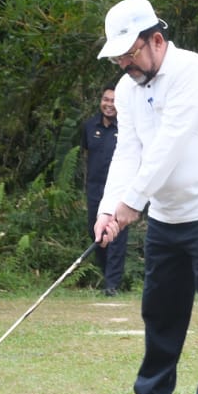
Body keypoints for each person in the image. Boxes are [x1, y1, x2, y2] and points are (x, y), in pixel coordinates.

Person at [94, 0, 198, 394]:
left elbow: (170, 146)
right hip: (166, 217)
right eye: (119, 56)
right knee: (160, 311)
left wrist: (131, 205)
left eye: (131, 53)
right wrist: (109, 208)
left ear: (156, 40)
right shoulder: (125, 90)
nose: (125, 64)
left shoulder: (191, 70)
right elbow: (130, 152)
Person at [81, 87, 128, 294]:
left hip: (119, 190)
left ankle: (112, 283)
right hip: (95, 189)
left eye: (114, 101)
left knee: (116, 235)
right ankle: (106, 273)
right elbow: (85, 156)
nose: (109, 104)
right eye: (106, 99)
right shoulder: (90, 126)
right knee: (97, 233)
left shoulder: (127, 127)